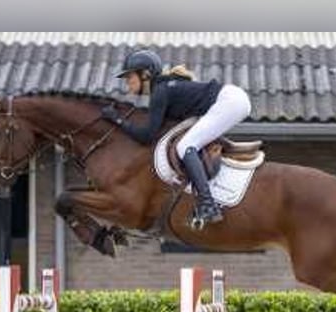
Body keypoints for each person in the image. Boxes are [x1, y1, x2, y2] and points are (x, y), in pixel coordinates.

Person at [100, 49, 252, 229]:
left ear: (145, 74)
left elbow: (146, 136)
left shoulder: (160, 92)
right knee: (188, 143)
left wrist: (116, 119)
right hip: (232, 99)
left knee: (185, 146)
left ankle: (208, 205)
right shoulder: (164, 88)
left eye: (130, 78)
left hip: (230, 101)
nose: (127, 84)